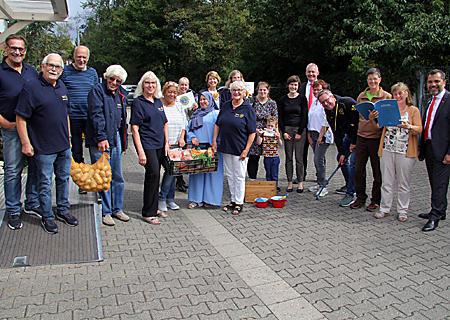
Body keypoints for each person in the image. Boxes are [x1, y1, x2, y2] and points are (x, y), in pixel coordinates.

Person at [15, 53, 77, 234]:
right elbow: (21, 117)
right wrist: (26, 143)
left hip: (63, 145)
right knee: (44, 182)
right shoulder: (31, 87)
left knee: (63, 179)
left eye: (58, 67)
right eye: (50, 65)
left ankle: (63, 210)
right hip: (43, 147)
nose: (54, 69)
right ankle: (47, 216)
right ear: (42, 66)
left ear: (61, 70)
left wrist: (70, 137)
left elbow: (66, 115)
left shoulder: (62, 87)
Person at [0, 34, 40, 230]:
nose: (17, 52)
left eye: (21, 49)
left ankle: (31, 204)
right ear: (5, 49)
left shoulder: (31, 71)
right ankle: (13, 209)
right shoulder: (0, 72)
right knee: (13, 170)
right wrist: (5, 124)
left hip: (33, 129)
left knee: (34, 168)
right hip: (12, 130)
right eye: (13, 48)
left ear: (25, 51)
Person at [368, 82, 422, 221]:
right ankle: (385, 208)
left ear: (406, 94)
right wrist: (373, 119)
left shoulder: (413, 110)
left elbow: (419, 129)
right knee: (386, 181)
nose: (398, 96)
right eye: (395, 94)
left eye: (400, 93)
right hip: (388, 148)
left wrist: (409, 126)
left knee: (404, 183)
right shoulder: (389, 109)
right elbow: (380, 126)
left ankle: (402, 210)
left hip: (405, 150)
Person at [86, 65, 130, 226]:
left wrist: (123, 141)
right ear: (106, 77)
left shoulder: (121, 94)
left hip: (116, 138)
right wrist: (101, 137)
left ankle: (117, 208)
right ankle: (105, 211)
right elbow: (96, 115)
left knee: (117, 175)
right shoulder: (97, 91)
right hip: (101, 139)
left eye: (118, 81)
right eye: (112, 79)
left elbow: (123, 120)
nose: (114, 82)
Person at [350, 68, 392, 212]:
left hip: (377, 139)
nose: (372, 81)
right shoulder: (361, 96)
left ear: (380, 79)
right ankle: (360, 198)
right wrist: (354, 140)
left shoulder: (386, 96)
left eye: (375, 78)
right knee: (358, 171)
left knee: (377, 172)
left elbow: (388, 119)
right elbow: (358, 119)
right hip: (362, 137)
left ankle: (375, 200)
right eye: (370, 79)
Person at [130, 71, 169, 224]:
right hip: (148, 144)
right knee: (152, 174)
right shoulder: (138, 102)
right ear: (142, 85)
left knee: (157, 175)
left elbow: (165, 123)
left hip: (160, 144)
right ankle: (147, 212)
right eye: (147, 83)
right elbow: (134, 128)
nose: (150, 85)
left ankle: (154, 207)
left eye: (153, 83)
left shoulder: (158, 101)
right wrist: (140, 151)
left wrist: (166, 142)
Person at [212, 80, 256, 215]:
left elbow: (252, 132)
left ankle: (239, 202)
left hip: (240, 148)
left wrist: (246, 149)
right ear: (230, 92)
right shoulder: (225, 106)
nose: (236, 92)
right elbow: (217, 124)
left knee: (239, 176)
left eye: (239, 90)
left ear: (243, 92)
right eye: (234, 90)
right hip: (226, 146)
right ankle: (232, 200)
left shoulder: (248, 108)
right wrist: (214, 141)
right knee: (230, 175)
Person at [60, 45, 98, 194]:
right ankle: (82, 182)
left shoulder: (92, 73)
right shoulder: (65, 72)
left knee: (95, 150)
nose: (81, 60)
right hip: (73, 117)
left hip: (89, 118)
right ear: (74, 57)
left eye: (84, 57)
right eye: (79, 56)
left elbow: (96, 93)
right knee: (76, 152)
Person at [418, 69, 450, 232]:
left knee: (439, 185)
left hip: (443, 150)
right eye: (430, 82)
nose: (433, 85)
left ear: (444, 82)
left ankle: (435, 216)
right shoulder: (430, 101)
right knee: (434, 182)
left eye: (436, 81)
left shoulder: (448, 100)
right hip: (430, 147)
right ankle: (439, 210)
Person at [318, 89, 359, 206]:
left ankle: (351, 193)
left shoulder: (347, 103)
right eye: (322, 103)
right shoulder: (328, 111)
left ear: (332, 97)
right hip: (348, 136)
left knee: (354, 163)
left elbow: (358, 123)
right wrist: (342, 152)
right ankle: (349, 184)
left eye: (326, 100)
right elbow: (336, 132)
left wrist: (354, 142)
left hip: (359, 136)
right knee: (341, 159)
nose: (326, 104)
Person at [186, 91, 223, 208]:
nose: (202, 101)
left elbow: (222, 129)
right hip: (198, 148)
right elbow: (189, 129)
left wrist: (216, 142)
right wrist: (193, 137)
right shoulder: (196, 114)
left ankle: (211, 200)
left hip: (213, 148)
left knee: (213, 174)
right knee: (197, 174)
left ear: (210, 100)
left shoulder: (217, 113)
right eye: (200, 99)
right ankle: (196, 200)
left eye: (205, 99)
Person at [158, 81, 187, 213]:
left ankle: (170, 199)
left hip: (177, 144)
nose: (172, 94)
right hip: (164, 144)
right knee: (170, 171)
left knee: (175, 171)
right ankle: (162, 198)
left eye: (175, 92)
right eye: (169, 92)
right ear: (164, 92)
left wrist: (182, 138)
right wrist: (165, 141)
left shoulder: (179, 106)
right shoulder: (159, 104)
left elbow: (184, 123)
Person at [298, 63, 331, 182]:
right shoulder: (301, 87)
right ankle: (302, 176)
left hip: (320, 126)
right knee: (302, 151)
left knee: (319, 155)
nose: (311, 74)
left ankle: (320, 178)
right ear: (306, 73)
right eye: (309, 72)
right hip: (306, 123)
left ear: (318, 73)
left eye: (313, 72)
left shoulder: (325, 87)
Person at [277, 75, 308, 193]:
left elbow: (305, 116)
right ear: (288, 85)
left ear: (298, 86)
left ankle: (300, 182)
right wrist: (283, 131)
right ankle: (289, 182)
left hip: (299, 130)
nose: (293, 87)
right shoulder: (283, 99)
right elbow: (280, 117)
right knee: (288, 157)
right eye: (291, 84)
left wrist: (300, 132)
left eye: (295, 84)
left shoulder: (302, 99)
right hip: (287, 130)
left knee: (299, 158)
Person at [247, 81, 278, 182]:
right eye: (260, 89)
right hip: (254, 131)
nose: (262, 91)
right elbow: (247, 117)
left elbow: (275, 119)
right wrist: (254, 130)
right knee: (253, 158)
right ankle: (252, 180)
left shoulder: (272, 103)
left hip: (268, 133)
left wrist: (275, 133)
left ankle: (271, 181)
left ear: (268, 91)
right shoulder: (251, 101)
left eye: (264, 89)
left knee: (269, 159)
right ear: (257, 90)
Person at [307, 80, 333, 197]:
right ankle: (319, 183)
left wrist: (321, 136)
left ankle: (323, 186)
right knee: (318, 160)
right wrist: (309, 136)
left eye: (319, 89)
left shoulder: (324, 104)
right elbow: (311, 120)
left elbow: (325, 121)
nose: (316, 91)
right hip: (314, 134)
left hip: (322, 135)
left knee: (319, 160)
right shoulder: (314, 103)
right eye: (315, 89)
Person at [175, 76, 195, 192]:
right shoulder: (175, 97)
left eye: (185, 85)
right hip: (177, 129)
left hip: (186, 128)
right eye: (181, 84)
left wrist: (194, 108)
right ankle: (178, 179)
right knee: (176, 154)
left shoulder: (189, 98)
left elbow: (192, 114)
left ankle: (180, 179)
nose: (183, 87)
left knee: (183, 154)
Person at [256, 116, 282, 188]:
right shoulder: (264, 134)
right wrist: (259, 136)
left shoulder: (276, 134)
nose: (270, 127)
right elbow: (259, 143)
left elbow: (280, 144)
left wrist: (278, 138)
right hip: (267, 156)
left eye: (272, 126)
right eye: (268, 125)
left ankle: (275, 186)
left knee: (274, 173)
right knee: (268, 172)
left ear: (276, 126)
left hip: (275, 156)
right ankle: (269, 186)